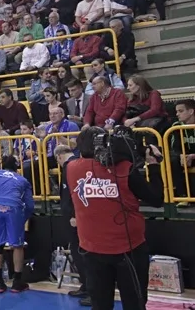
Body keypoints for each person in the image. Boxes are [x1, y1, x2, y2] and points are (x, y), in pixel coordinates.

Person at [67, 127, 164, 310]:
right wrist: (152, 164)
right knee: (134, 303)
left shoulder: (71, 168)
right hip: (128, 248)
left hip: (91, 248)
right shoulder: (124, 169)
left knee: (100, 304)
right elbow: (156, 199)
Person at [0, 155, 34, 294]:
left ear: (2, 165)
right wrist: (23, 219)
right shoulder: (22, 179)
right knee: (17, 245)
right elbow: (29, 205)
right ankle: (17, 282)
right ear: (17, 166)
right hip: (13, 207)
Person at [55, 145, 91, 307]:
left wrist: (73, 215)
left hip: (76, 218)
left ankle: (93, 290)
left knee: (83, 254)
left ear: (59, 156)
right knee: (79, 254)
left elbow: (74, 194)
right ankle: (86, 286)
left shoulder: (70, 166)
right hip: (77, 217)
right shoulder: (77, 164)